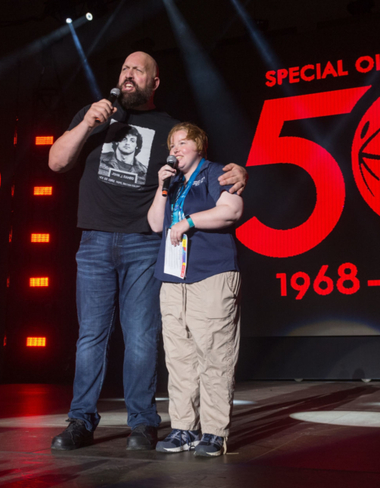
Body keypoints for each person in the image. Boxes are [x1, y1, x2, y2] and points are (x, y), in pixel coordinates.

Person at [47, 51, 247, 451]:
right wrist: (88, 123)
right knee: (90, 336)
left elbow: (209, 170)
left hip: (143, 241)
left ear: (154, 82)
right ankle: (81, 421)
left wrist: (240, 173)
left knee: (141, 337)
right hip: (95, 240)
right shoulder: (97, 117)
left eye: (138, 70)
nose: (128, 74)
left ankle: (142, 423)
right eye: (123, 68)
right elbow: (56, 162)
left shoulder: (171, 129)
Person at [147, 122, 243, 457]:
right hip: (173, 279)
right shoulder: (170, 183)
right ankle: (183, 428)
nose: (175, 149)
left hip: (211, 275)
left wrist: (189, 221)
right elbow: (156, 225)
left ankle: (214, 432)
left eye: (183, 142)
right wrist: (161, 188)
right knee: (179, 359)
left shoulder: (218, 172)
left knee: (215, 355)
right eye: (171, 144)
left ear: (199, 145)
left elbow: (232, 211)